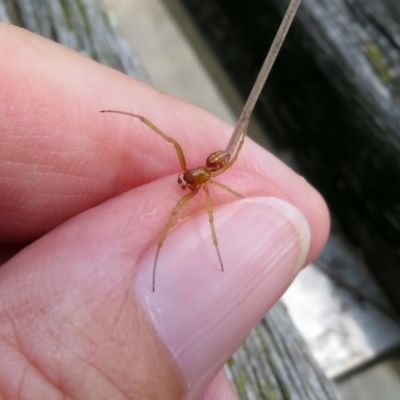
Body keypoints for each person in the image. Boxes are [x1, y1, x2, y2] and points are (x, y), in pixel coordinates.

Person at [0, 21, 330, 400]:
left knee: (192, 212)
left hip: (213, 169)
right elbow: (171, 143)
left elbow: (206, 188)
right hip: (208, 169)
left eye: (190, 179)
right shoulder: (193, 173)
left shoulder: (210, 179)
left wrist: (220, 228)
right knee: (177, 173)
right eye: (189, 178)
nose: (185, 182)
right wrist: (135, 120)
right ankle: (159, 263)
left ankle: (169, 263)